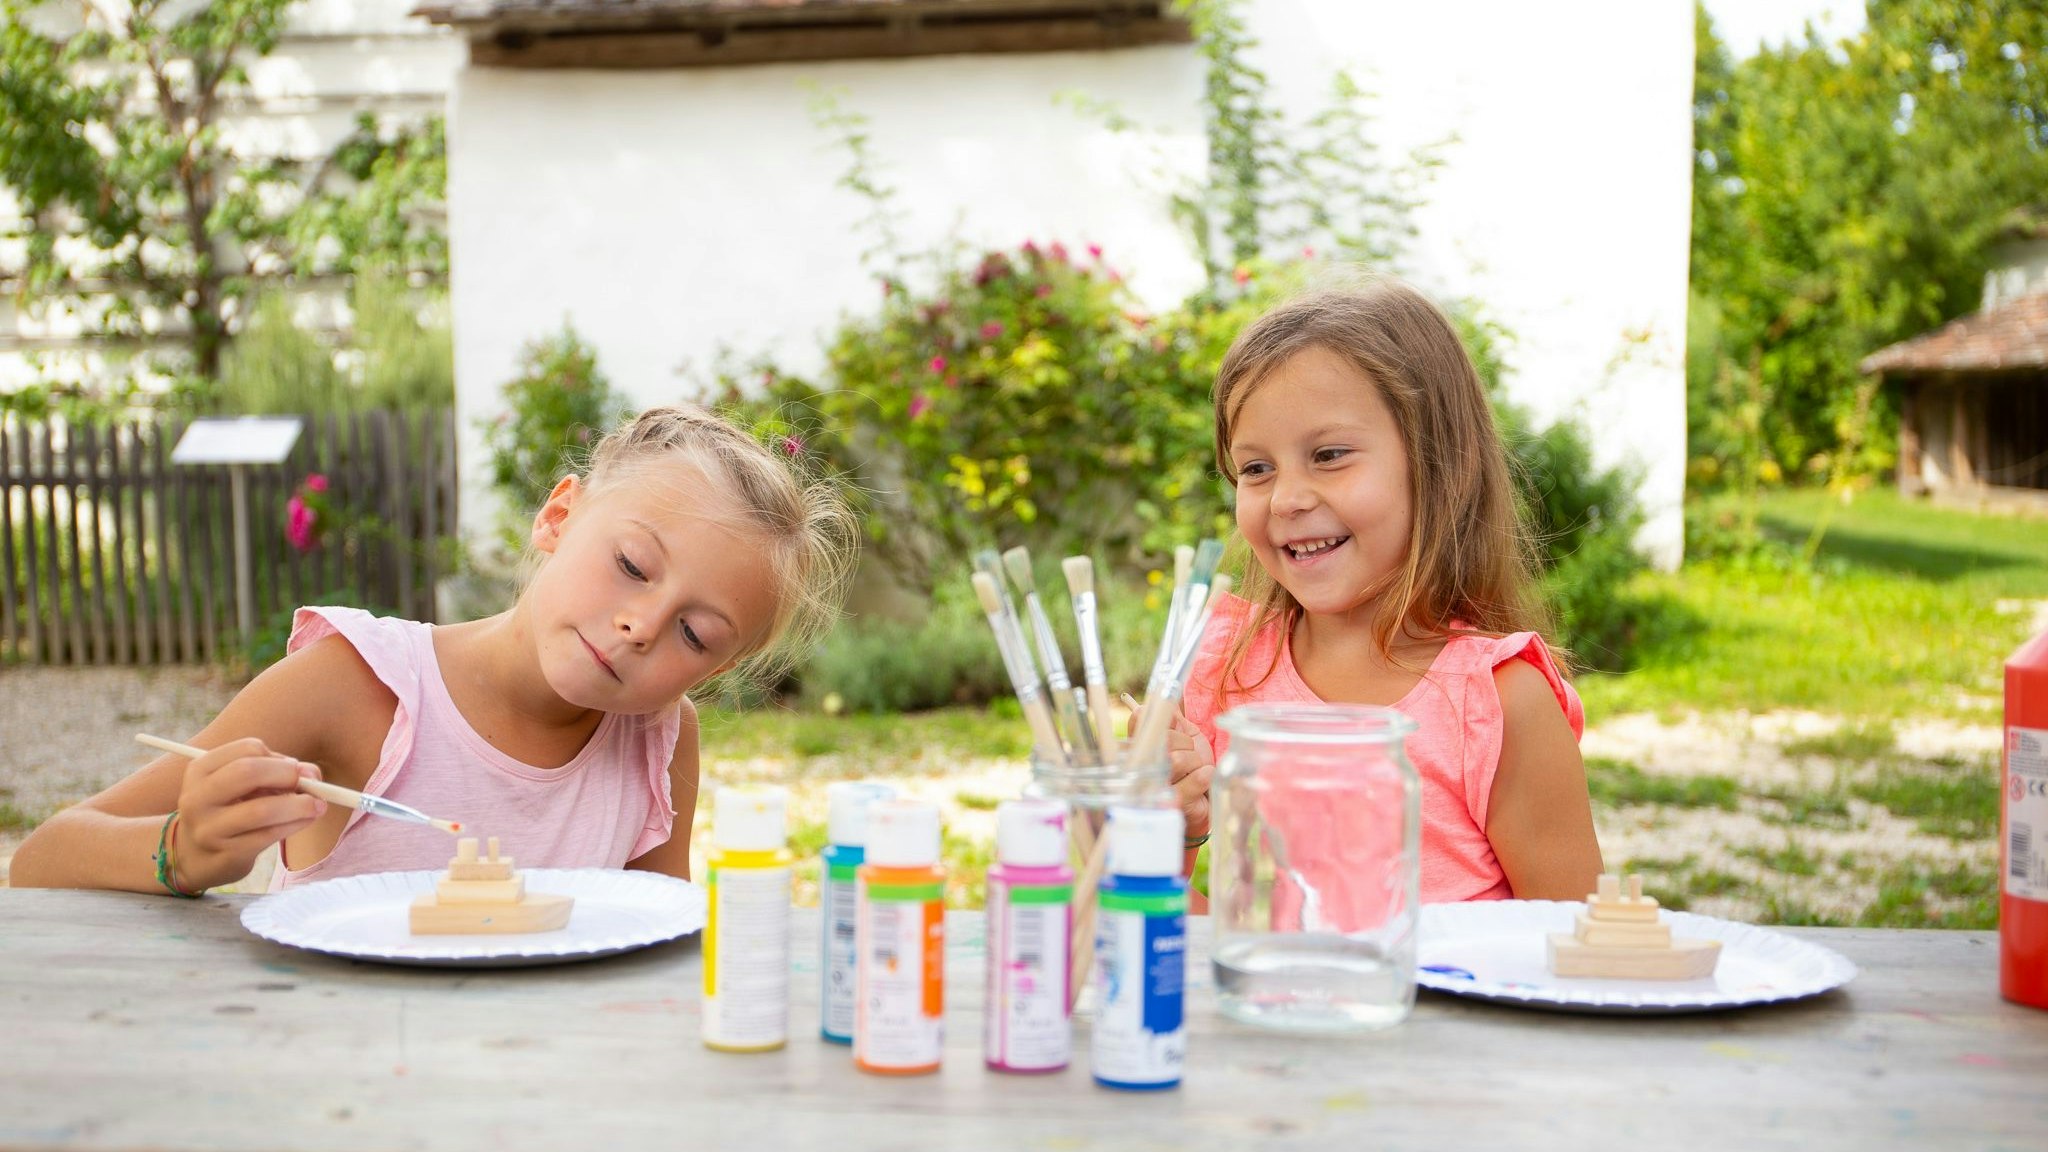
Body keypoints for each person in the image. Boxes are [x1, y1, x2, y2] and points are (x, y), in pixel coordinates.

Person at [12, 406, 857, 896]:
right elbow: (41, 861)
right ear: (559, 518)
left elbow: (652, 948)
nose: (641, 625)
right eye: (632, 566)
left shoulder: (659, 742)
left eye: (695, 634)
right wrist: (182, 850)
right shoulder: (354, 685)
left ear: (717, 671)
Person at [1165, 277, 1602, 903]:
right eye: (1256, 468)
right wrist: (1168, 833)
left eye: (1330, 454)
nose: (1286, 499)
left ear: (1437, 465)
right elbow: (1178, 925)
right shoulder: (1223, 665)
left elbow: (1572, 945)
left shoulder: (1499, 704)